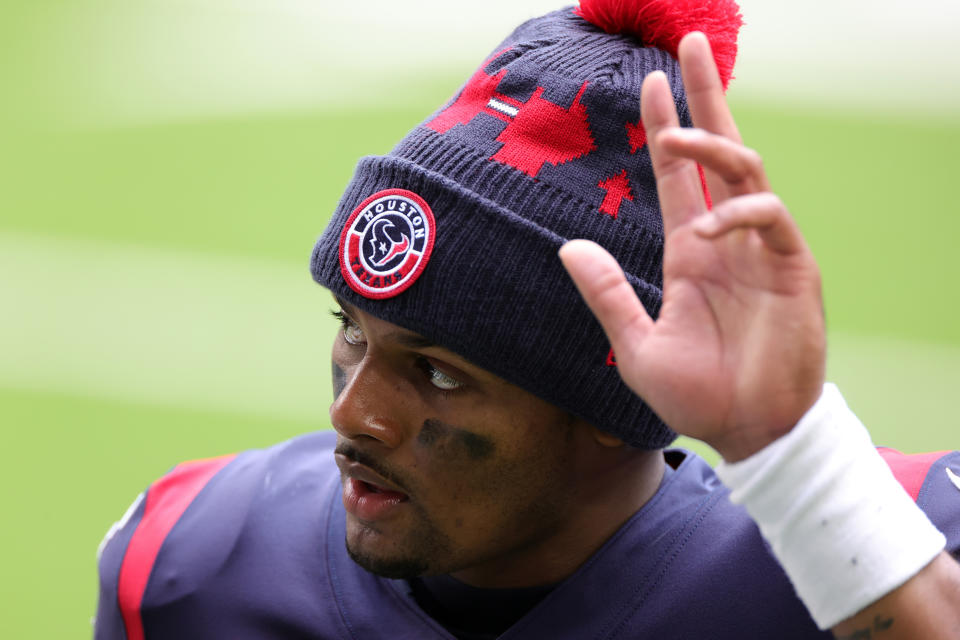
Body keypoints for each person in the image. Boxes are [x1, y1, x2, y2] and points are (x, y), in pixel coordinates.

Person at [94, 1, 960, 638]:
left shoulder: (880, 552)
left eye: (437, 371)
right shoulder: (196, 566)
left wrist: (793, 456)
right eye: (354, 331)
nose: (352, 414)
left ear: (614, 401)